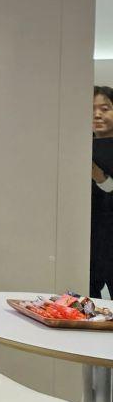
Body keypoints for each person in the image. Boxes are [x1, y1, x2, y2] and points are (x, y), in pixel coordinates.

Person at [90, 85, 113, 296]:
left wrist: (101, 178)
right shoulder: (77, 144)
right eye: (91, 109)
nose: (97, 114)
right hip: (91, 237)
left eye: (105, 108)